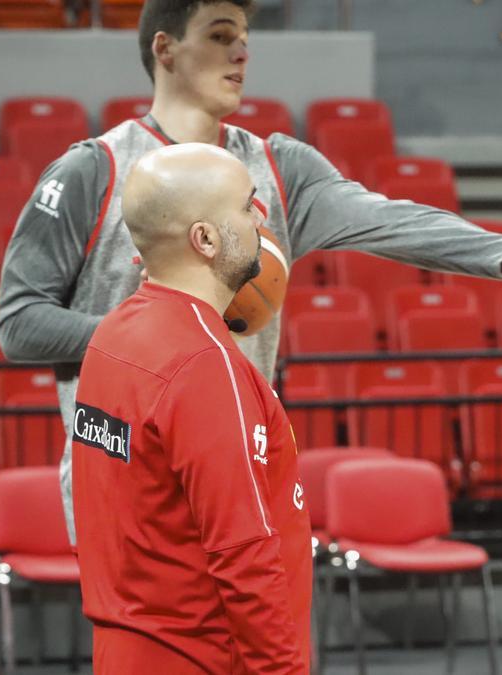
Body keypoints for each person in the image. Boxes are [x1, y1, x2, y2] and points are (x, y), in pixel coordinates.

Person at [0, 0, 502, 543]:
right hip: (124, 470)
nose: (241, 52)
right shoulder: (91, 169)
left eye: (244, 39)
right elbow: (19, 323)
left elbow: (389, 220)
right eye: (220, 36)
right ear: (165, 48)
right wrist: (144, 338)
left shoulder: (279, 166)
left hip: (237, 465)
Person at [72, 143, 309, 672]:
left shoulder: (113, 333)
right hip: (201, 657)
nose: (260, 219)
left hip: (126, 648)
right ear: (204, 239)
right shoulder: (206, 363)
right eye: (247, 207)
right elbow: (243, 553)